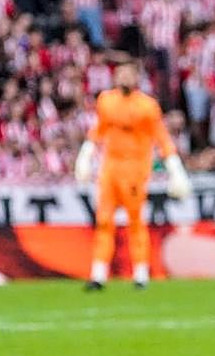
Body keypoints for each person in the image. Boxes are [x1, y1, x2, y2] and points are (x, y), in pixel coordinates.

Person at [74, 60, 191, 289]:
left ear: (136, 78)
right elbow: (99, 130)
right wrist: (85, 155)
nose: (123, 79)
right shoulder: (106, 101)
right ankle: (98, 274)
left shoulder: (147, 107)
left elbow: (162, 138)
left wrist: (175, 169)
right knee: (104, 221)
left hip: (135, 170)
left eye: (128, 74)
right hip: (110, 169)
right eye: (120, 74)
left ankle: (140, 273)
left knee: (136, 222)